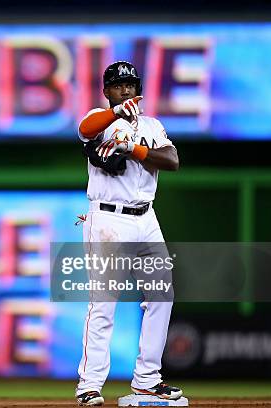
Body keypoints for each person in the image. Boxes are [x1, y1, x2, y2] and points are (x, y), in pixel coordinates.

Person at [74, 61, 182, 406]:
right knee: (104, 304)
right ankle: (89, 385)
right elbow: (86, 128)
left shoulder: (151, 126)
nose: (126, 90)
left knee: (161, 296)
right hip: (109, 218)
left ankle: (148, 379)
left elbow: (171, 160)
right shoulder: (100, 121)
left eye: (131, 85)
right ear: (106, 91)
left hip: (146, 218)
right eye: (118, 86)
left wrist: (134, 150)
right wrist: (116, 114)